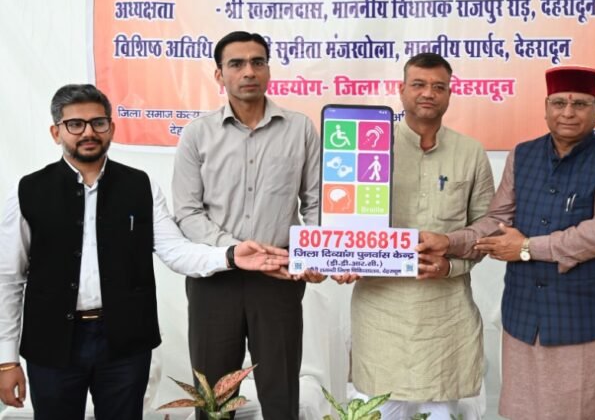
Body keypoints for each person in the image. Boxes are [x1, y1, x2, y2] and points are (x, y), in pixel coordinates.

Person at [0, 84, 289, 420]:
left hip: (124, 345)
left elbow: (175, 250)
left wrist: (230, 255)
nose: (88, 132)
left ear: (111, 128)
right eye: (75, 124)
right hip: (51, 343)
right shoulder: (27, 191)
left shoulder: (140, 186)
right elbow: (8, 279)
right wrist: (6, 360)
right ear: (56, 132)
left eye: (98, 123)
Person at [418, 66, 595, 419]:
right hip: (525, 315)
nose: (568, 112)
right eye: (559, 103)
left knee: (580, 411)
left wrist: (527, 248)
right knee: (524, 411)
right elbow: (497, 221)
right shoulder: (523, 154)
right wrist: (449, 241)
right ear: (546, 107)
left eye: (580, 104)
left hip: (583, 316)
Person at [172, 31, 321, 420]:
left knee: (281, 390)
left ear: (268, 70)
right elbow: (187, 212)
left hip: (278, 277)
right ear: (219, 75)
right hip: (215, 277)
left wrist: (317, 254)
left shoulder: (300, 129)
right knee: (215, 398)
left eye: (258, 62)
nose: (248, 71)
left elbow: (316, 203)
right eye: (236, 64)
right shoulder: (197, 134)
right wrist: (233, 251)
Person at [342, 53, 494, 418]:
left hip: (446, 314)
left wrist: (451, 266)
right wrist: (341, 258)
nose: (428, 93)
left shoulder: (470, 152)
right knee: (375, 409)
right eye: (419, 85)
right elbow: (341, 222)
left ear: (449, 94)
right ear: (401, 90)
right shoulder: (369, 145)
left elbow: (486, 229)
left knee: (440, 410)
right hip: (380, 313)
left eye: (438, 86)